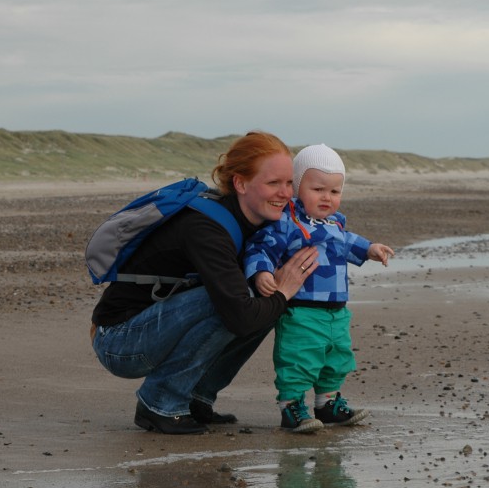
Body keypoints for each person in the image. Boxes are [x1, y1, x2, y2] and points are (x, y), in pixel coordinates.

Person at [90, 131, 318, 435]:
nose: (285, 193)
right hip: (119, 341)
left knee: (264, 298)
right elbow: (239, 316)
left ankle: (196, 398)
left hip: (155, 328)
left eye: (289, 183)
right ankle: (160, 404)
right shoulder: (206, 228)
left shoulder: (259, 224)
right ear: (240, 183)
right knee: (249, 299)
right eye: (273, 183)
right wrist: (284, 291)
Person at [244, 144, 394, 433]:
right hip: (301, 309)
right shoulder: (287, 222)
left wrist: (370, 248)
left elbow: (350, 241)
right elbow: (260, 248)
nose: (327, 197)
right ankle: (291, 407)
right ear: (298, 187)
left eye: (334, 192)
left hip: (336, 310)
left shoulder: (336, 224)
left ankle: (327, 404)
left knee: (337, 356)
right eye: (318, 189)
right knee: (299, 357)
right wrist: (261, 271)